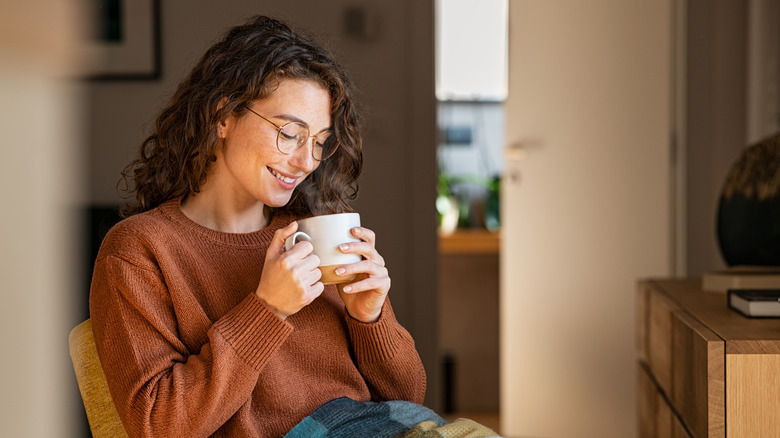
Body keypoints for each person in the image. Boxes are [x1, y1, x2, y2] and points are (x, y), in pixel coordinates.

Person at [89, 16, 427, 437]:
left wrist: (370, 318)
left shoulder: (313, 233)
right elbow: (158, 425)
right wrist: (268, 309)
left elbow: (409, 402)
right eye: (289, 133)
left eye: (320, 141)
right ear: (223, 116)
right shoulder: (140, 250)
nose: (307, 161)